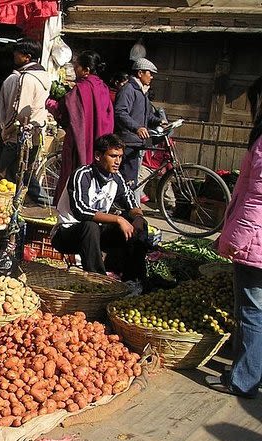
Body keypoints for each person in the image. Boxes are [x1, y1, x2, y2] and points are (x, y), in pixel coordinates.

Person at [206, 76, 262, 398]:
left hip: (256, 241)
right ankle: (252, 371)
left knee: (252, 312)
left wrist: (234, 240)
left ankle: (243, 380)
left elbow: (257, 199)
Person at [51, 134, 148, 283]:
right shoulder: (82, 174)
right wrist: (118, 218)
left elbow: (131, 204)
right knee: (91, 225)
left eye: (120, 157)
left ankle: (133, 279)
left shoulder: (116, 178)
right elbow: (81, 211)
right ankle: (99, 281)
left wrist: (138, 218)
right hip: (66, 233)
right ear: (98, 155)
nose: (118, 162)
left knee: (138, 224)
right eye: (113, 156)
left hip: (96, 235)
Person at [53, 51, 115, 205]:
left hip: (80, 142)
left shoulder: (80, 89)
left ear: (86, 70)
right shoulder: (104, 88)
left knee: (74, 176)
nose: (75, 70)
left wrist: (52, 104)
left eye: (77, 67)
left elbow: (67, 115)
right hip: (101, 142)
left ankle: (72, 207)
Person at [0, 38, 52, 205]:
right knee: (24, 173)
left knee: (4, 173)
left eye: (18, 53)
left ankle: (12, 209)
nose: (14, 55)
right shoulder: (44, 75)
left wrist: (5, 132)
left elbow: (20, 112)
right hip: (36, 133)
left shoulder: (26, 78)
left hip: (19, 136)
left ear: (27, 57)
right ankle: (42, 202)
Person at [114, 57, 165, 198]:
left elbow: (147, 116)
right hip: (128, 140)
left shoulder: (143, 92)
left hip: (137, 141)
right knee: (127, 177)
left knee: (132, 177)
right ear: (140, 73)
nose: (152, 77)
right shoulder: (128, 90)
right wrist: (137, 128)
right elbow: (120, 112)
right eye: (150, 73)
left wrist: (159, 122)